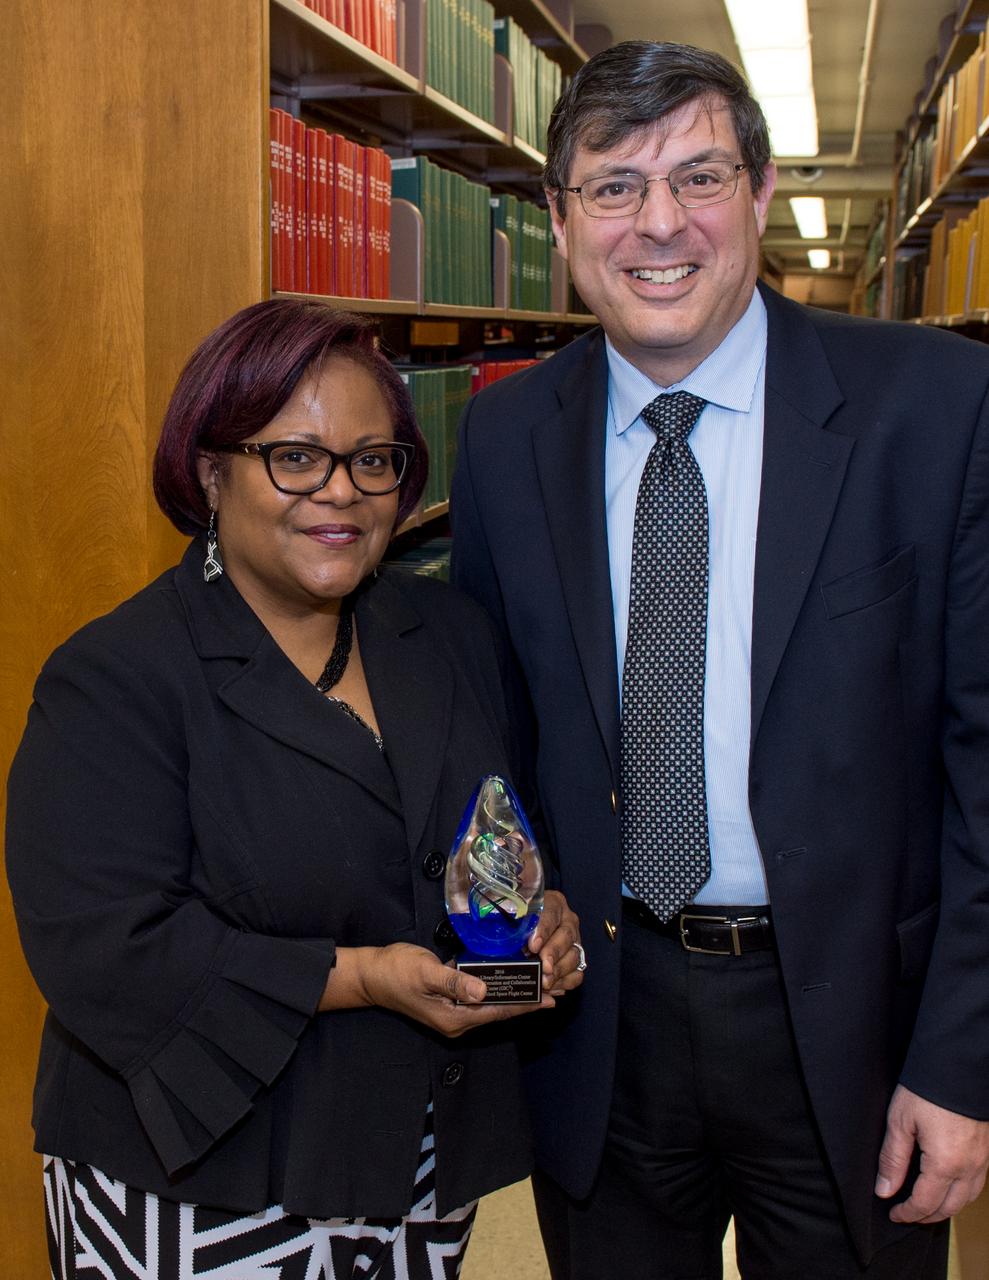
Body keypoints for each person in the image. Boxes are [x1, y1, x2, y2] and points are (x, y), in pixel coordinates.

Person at [450, 39, 989, 1280]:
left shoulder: (938, 408)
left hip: (854, 1032)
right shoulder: (502, 435)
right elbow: (491, 735)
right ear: (558, 216)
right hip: (599, 1022)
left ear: (754, 193)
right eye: (613, 185)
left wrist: (960, 1061)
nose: (659, 225)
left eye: (697, 177)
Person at [5, 299, 584, 1280]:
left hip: (408, 1158)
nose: (341, 492)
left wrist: (543, 913)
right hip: (201, 1170)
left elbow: (496, 830)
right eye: (296, 457)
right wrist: (360, 975)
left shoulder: (446, 634)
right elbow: (108, 949)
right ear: (209, 467)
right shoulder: (116, 676)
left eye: (373, 459)